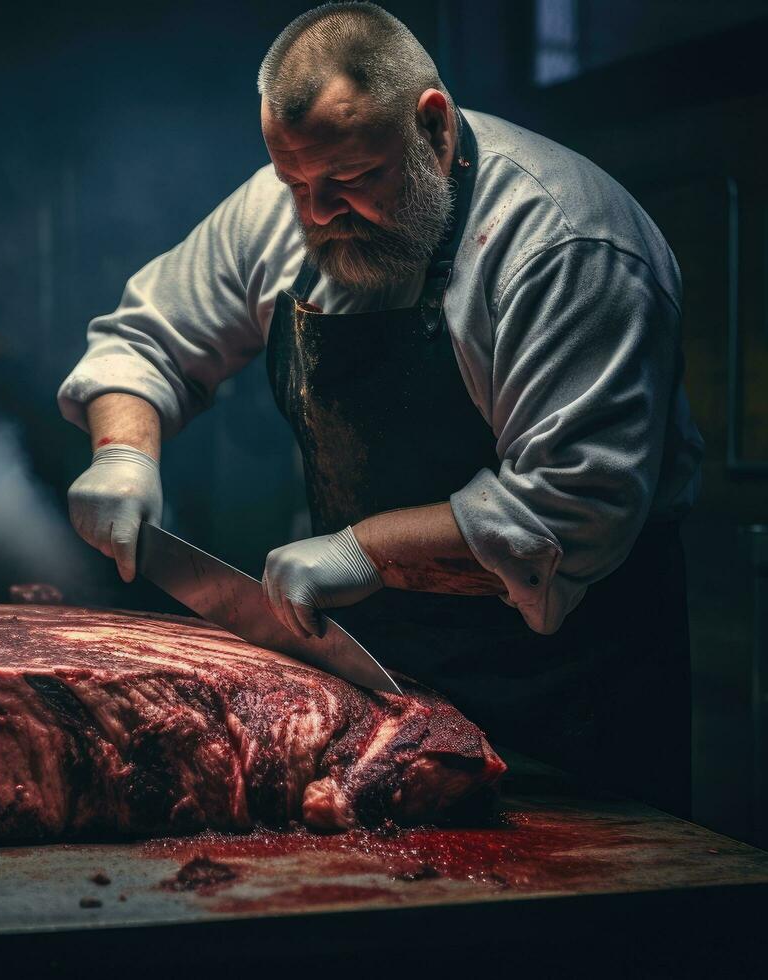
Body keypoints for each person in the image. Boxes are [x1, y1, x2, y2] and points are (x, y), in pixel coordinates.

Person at [57, 2, 703, 816]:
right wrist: (123, 451)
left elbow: (573, 507)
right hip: (378, 680)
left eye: (355, 181)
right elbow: (145, 339)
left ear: (432, 127)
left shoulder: (564, 244)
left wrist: (363, 551)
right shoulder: (284, 203)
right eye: (298, 183)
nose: (318, 213)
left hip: (572, 691)